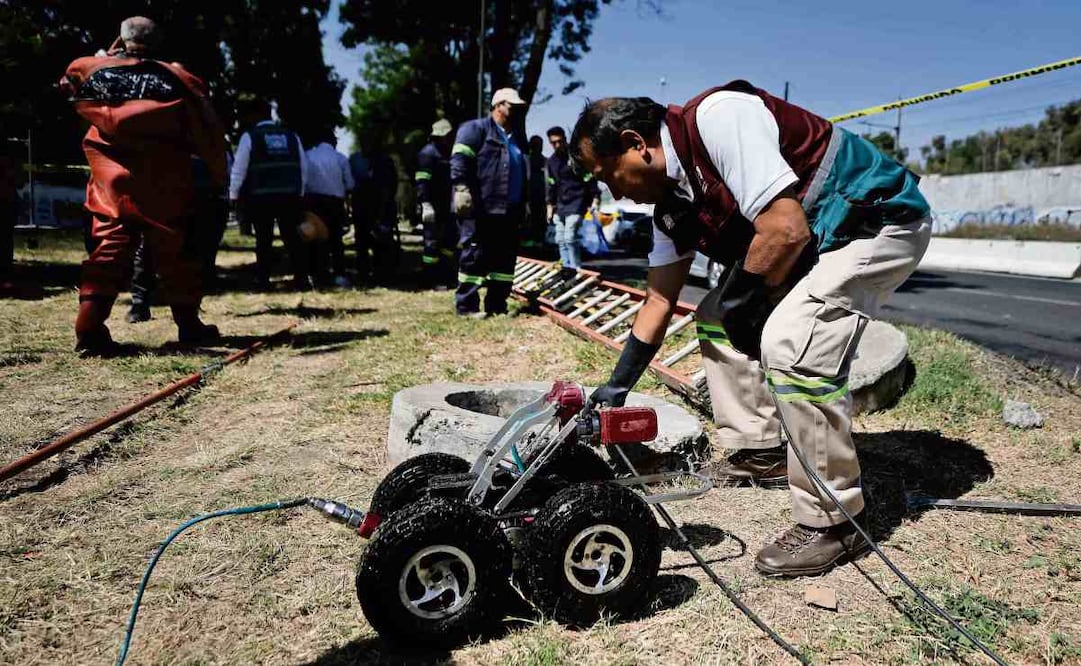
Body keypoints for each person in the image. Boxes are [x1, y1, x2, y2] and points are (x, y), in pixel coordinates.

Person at [570, 83, 931, 577]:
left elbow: (784, 229)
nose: (614, 192)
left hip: (875, 221)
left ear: (637, 144)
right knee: (715, 317)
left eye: (607, 175)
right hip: (814, 242)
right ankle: (759, 450)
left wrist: (747, 302)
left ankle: (835, 519)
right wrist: (616, 387)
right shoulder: (670, 206)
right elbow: (659, 300)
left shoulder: (719, 118)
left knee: (791, 341)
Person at [60, 16, 226, 356]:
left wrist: (107, 56)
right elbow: (206, 127)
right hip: (164, 179)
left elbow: (66, 86)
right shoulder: (180, 77)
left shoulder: (89, 68)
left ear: (121, 40)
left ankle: (88, 328)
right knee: (176, 252)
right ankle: (188, 325)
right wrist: (217, 174)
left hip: (111, 178)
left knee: (109, 247)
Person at [450, 88, 529, 317]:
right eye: (512, 106)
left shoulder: (516, 137)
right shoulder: (475, 129)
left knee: (504, 260)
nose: (517, 111)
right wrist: (462, 189)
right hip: (481, 206)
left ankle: (497, 306)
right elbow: (460, 160)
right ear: (498, 105)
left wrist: (525, 203)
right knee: (475, 255)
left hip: (509, 209)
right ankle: (466, 306)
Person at [128, 151, 230, 322]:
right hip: (176, 193)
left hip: (186, 195)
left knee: (166, 252)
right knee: (161, 250)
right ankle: (148, 306)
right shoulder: (198, 133)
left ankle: (183, 313)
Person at [229, 99, 309, 289]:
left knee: (263, 238)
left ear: (255, 115)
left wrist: (233, 195)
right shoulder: (291, 136)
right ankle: (301, 278)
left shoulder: (250, 136)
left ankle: (263, 280)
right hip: (289, 195)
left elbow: (239, 168)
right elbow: (303, 167)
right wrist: (301, 192)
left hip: (261, 196)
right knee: (292, 237)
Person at [304, 131, 354, 287]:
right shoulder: (341, 158)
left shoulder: (307, 155)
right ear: (334, 142)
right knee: (336, 240)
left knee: (314, 238)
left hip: (312, 201)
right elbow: (350, 184)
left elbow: (303, 179)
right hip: (334, 202)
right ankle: (339, 274)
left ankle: (316, 274)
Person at [545, 126, 599, 269]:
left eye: (559, 141)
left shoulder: (577, 156)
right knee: (560, 240)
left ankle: (576, 268)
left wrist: (595, 198)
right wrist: (549, 206)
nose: (557, 145)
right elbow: (552, 185)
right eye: (553, 143)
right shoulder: (552, 162)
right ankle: (566, 267)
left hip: (577, 202)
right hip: (560, 205)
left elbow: (590, 178)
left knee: (570, 237)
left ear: (564, 139)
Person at [414, 118, 456, 288]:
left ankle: (445, 275)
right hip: (432, 205)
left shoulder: (445, 153)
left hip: (446, 205)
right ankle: (430, 279)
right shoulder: (427, 154)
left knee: (447, 243)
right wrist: (425, 204)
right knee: (431, 244)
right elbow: (422, 181)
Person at [525, 135, 548, 250]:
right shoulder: (525, 161)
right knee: (528, 222)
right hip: (528, 198)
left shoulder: (546, 162)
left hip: (542, 198)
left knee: (541, 222)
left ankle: (539, 244)